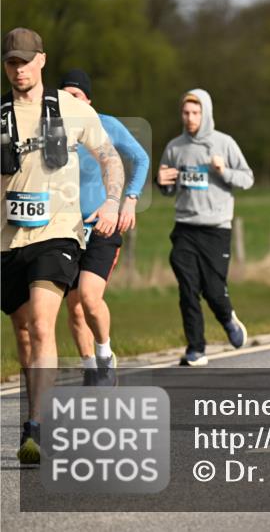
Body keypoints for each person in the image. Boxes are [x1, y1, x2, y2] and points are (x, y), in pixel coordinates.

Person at [1, 28, 124, 463]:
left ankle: (36, 426)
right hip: (8, 240)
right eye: (11, 62)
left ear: (42, 60)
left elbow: (110, 157)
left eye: (25, 61)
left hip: (58, 234)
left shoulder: (72, 109)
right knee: (23, 331)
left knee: (41, 323)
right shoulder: (1, 115)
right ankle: (36, 407)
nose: (19, 70)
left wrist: (113, 201)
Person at [60, 69, 150, 386]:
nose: (70, 101)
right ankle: (89, 369)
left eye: (76, 96)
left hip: (103, 226)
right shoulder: (54, 130)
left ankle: (104, 354)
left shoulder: (106, 125)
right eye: (64, 96)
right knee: (74, 308)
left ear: (88, 100)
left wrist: (129, 200)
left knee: (89, 297)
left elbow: (140, 159)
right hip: (65, 229)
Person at [156, 89, 253, 366]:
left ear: (206, 114)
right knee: (188, 289)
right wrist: (161, 182)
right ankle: (196, 348)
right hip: (185, 227)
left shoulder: (224, 143)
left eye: (195, 113)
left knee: (213, 290)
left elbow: (247, 179)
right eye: (186, 113)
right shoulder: (174, 147)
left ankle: (227, 318)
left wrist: (223, 171)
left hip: (216, 229)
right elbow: (168, 188)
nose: (190, 118)